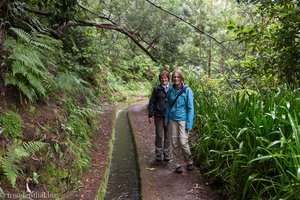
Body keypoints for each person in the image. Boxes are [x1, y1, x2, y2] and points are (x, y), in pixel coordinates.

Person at [165, 69, 194, 173]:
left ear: (181, 78)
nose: (176, 79)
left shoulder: (187, 90)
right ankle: (177, 164)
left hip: (183, 120)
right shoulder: (170, 90)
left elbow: (190, 108)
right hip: (172, 119)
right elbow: (168, 106)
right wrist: (166, 119)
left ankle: (190, 161)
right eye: (174, 77)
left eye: (178, 77)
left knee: (183, 142)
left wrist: (189, 124)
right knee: (174, 143)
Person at [148, 70, 171, 162]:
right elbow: (152, 102)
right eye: (162, 78)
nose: (163, 79)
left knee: (168, 135)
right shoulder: (156, 89)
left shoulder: (172, 88)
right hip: (158, 115)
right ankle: (158, 154)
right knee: (159, 135)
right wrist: (150, 114)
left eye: (165, 77)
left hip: (169, 116)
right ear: (160, 79)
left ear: (168, 78)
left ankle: (167, 154)